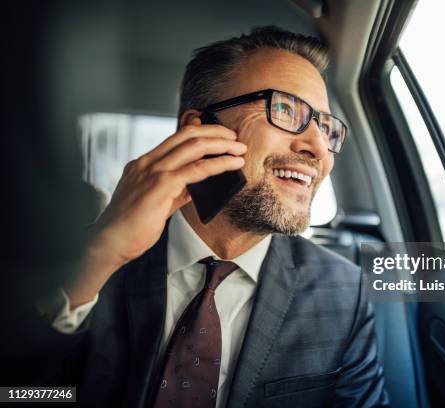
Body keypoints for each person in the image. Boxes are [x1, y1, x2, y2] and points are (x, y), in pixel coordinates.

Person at [37, 26, 389, 407]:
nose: (318, 149)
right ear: (199, 130)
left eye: (326, 127)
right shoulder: (81, 261)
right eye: (286, 109)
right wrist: (100, 255)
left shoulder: (344, 291)